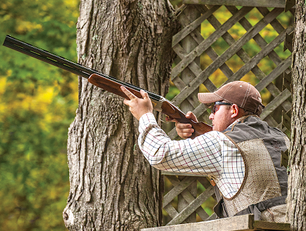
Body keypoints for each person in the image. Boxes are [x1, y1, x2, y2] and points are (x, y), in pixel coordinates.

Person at [121, 81, 289, 223]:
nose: (210, 116)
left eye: (215, 109)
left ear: (234, 111)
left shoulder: (221, 143)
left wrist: (144, 115)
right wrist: (199, 133)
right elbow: (246, 150)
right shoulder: (281, 137)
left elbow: (159, 153)